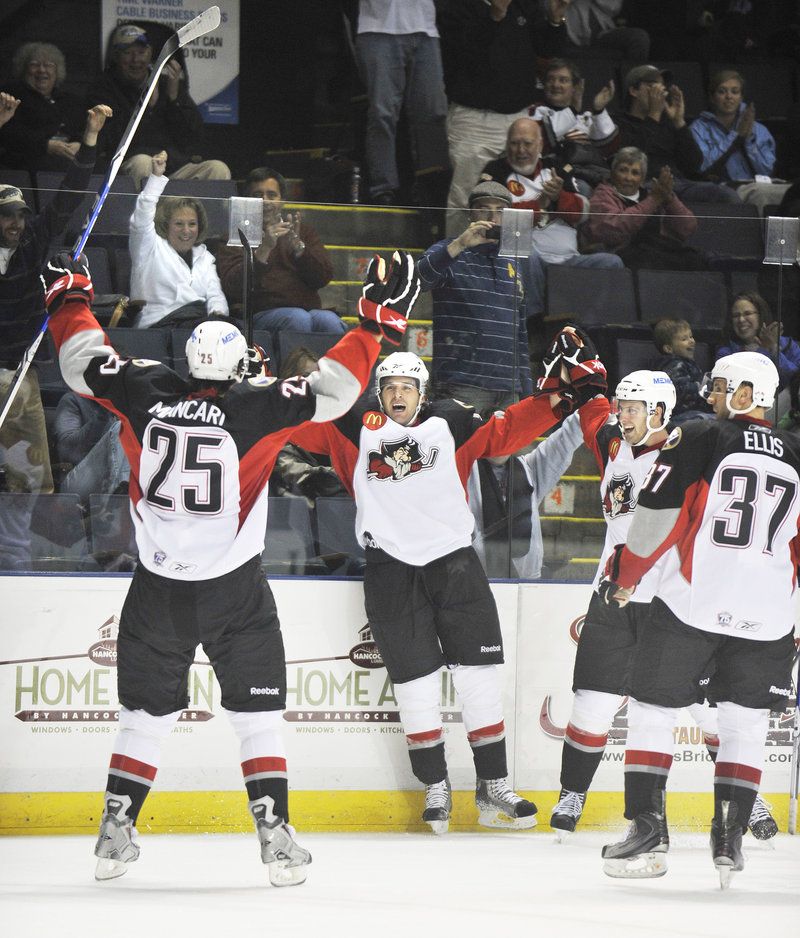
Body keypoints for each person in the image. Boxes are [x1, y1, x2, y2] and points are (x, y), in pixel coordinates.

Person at [40, 246, 418, 884]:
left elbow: (81, 363)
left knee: (143, 716)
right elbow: (337, 390)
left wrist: (69, 300)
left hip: (155, 587)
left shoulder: (144, 387)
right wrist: (376, 323)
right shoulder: (259, 405)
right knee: (257, 714)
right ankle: (274, 833)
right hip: (233, 592)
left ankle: (114, 830)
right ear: (240, 363)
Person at [287, 329, 608, 834]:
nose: (397, 395)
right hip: (389, 567)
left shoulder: (451, 421)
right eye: (388, 386)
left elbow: (507, 429)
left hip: (455, 563)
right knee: (415, 685)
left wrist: (560, 398)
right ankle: (435, 786)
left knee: (479, 679)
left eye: (406, 387)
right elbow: (294, 423)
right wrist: (256, 391)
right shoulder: (350, 427)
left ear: (422, 392)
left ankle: (493, 785)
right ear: (377, 391)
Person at [548, 366, 776, 841]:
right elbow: (592, 411)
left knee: (711, 714)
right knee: (591, 703)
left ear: (659, 412)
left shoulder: (691, 452)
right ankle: (573, 794)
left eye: (632, 409)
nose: (621, 416)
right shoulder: (613, 442)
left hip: (672, 605)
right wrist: (586, 367)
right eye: (621, 407)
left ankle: (746, 805)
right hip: (613, 598)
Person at [599, 352, 797, 886]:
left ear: (744, 394)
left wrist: (626, 576)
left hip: (697, 601)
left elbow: (661, 513)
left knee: (651, 708)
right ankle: (729, 841)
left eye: (719, 386)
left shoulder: (701, 435)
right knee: (745, 724)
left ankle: (647, 828)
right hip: (771, 616)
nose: (710, 395)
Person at [0, 102, 111, 571]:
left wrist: (89, 140)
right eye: (7, 216)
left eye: (21, 216)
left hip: (21, 381)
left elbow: (69, 198)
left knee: (27, 481)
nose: (17, 224)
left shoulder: (31, 247)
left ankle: (17, 563)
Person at [437, 0, 569, 235]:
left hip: (518, 117)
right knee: (468, 197)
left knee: (520, 195)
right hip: (474, 119)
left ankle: (510, 266)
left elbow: (548, 51)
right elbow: (463, 54)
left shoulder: (525, 5)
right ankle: (457, 264)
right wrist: (494, 17)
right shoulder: (457, 6)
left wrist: (555, 20)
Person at [417, 180, 544, 413]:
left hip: (509, 389)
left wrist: (526, 391)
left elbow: (520, 332)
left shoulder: (515, 260)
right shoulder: (448, 250)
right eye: (484, 208)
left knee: (508, 451)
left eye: (500, 211)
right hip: (460, 384)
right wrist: (460, 245)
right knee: (461, 450)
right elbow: (419, 280)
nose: (492, 217)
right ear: (470, 214)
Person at [87, 23, 231, 189]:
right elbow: (111, 138)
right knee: (143, 163)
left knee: (218, 169)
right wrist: (147, 106)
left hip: (173, 167)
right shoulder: (104, 88)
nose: (135, 60)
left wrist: (173, 98)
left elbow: (193, 136)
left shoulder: (167, 84)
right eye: (128, 53)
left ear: (150, 54)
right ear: (116, 56)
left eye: (141, 52)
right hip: (132, 165)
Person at [215, 167, 344, 338]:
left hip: (307, 310)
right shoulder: (236, 236)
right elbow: (233, 287)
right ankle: (293, 366)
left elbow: (324, 277)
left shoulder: (303, 232)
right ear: (248, 201)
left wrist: (300, 250)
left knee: (330, 322)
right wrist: (264, 249)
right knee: (298, 319)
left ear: (282, 200)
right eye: (257, 195)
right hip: (259, 315)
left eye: (272, 195)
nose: (265, 201)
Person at [480, 117, 623, 269]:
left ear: (540, 145)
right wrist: (538, 205)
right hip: (523, 262)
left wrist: (558, 198)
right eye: (514, 143)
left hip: (568, 261)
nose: (521, 150)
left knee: (612, 263)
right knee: (524, 254)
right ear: (507, 145)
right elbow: (491, 221)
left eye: (527, 144)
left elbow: (583, 213)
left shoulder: (557, 167)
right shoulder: (494, 172)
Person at [467, 411, 584, 578]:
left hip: (528, 580)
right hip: (477, 579)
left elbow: (564, 440)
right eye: (494, 435)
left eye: (506, 436)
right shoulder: (466, 471)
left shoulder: (530, 468)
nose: (501, 443)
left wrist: (593, 410)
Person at [354, 0, 449, 205]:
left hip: (425, 29)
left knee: (433, 111)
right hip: (377, 28)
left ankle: (427, 182)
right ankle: (383, 187)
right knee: (383, 113)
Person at [129, 151, 228, 329]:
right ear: (166, 225)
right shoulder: (149, 246)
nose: (186, 231)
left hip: (198, 327)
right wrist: (155, 178)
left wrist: (218, 315)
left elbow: (215, 294)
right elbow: (141, 218)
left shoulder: (204, 256)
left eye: (192, 224)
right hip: (158, 326)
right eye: (179, 224)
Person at [615, 64, 741, 205]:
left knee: (727, 195)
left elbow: (694, 164)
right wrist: (654, 115)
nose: (661, 92)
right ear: (634, 91)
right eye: (653, 86)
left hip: (679, 184)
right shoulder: (620, 123)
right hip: (645, 185)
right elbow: (632, 159)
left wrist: (679, 122)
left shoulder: (668, 123)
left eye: (661, 87)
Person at [580, 146, 707, 270]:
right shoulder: (603, 194)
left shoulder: (652, 194)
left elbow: (688, 228)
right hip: (622, 255)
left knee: (696, 260)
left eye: (635, 173)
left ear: (642, 180)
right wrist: (653, 201)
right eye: (623, 170)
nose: (628, 178)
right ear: (613, 174)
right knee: (650, 261)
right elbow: (612, 230)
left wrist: (669, 199)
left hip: (656, 250)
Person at [690, 69, 792, 215]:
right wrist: (735, 136)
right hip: (723, 187)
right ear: (712, 98)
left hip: (760, 184)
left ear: (741, 97)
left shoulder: (759, 130)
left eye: (735, 91)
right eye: (722, 91)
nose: (729, 96)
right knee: (760, 194)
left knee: (792, 193)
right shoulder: (698, 128)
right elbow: (704, 167)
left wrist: (749, 140)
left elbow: (766, 171)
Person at [529, 58, 619, 196]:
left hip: (597, 174)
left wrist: (599, 110)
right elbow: (543, 140)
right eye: (551, 80)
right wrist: (573, 109)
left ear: (575, 87)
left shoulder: (587, 116)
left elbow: (610, 148)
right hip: (560, 175)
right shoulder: (536, 112)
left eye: (563, 80)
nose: (555, 85)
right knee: (583, 189)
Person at [270, 347, 348, 505]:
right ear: (288, 379)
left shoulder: (330, 418)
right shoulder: (276, 419)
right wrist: (337, 475)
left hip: (335, 500)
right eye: (305, 376)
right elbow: (287, 469)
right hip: (296, 502)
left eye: (317, 377)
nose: (312, 383)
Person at [0, 42, 87, 174]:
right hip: (29, 160)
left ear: (57, 71)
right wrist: (45, 146)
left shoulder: (70, 100)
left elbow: (84, 127)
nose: (42, 70)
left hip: (70, 156)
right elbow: (9, 133)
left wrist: (79, 144)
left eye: (49, 65)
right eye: (34, 64)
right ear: (23, 69)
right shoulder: (12, 96)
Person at [51, 391, 130, 506]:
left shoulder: (126, 404)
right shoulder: (73, 400)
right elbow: (69, 451)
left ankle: (126, 495)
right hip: (75, 481)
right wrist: (104, 411)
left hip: (109, 477)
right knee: (121, 428)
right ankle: (119, 501)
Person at [716, 291, 800, 392]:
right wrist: (763, 350)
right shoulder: (725, 353)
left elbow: (793, 380)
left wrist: (773, 350)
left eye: (747, 313)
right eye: (736, 315)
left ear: (761, 316)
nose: (741, 319)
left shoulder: (788, 345)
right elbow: (749, 387)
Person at [651, 318, 713, 422]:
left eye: (691, 337)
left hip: (692, 412)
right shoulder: (674, 365)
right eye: (684, 339)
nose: (691, 341)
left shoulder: (687, 363)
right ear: (669, 349)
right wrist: (703, 387)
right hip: (680, 416)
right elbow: (680, 389)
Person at [564, 1, 650, 61]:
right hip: (568, 34)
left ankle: (634, 82)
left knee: (638, 38)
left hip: (602, 33)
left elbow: (614, 7)